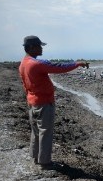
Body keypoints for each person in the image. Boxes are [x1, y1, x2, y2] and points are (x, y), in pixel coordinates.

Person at [19, 35, 89, 169]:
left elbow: (24, 84)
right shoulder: (36, 63)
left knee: (36, 131)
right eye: (40, 46)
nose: (42, 49)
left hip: (32, 102)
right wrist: (77, 64)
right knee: (45, 131)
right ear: (32, 47)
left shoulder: (23, 63)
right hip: (43, 103)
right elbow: (59, 67)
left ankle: (35, 157)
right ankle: (45, 162)